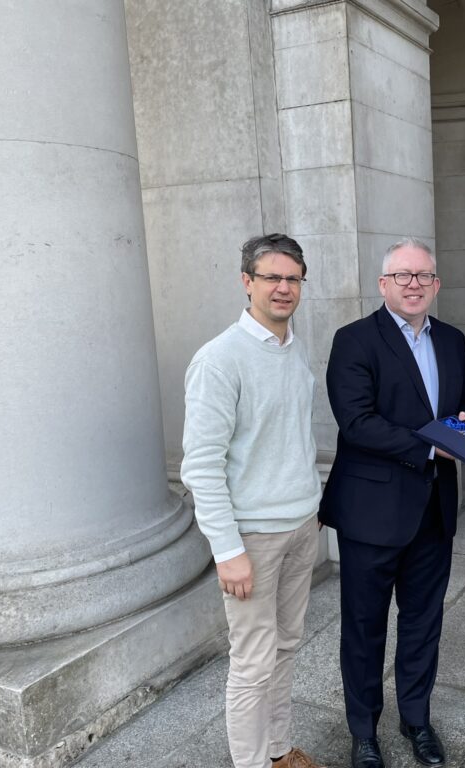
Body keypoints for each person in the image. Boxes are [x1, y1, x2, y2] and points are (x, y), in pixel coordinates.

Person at [319, 238, 465, 768]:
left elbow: (461, 408)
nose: (413, 284)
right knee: (363, 628)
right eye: (402, 275)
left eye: (423, 276)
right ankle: (363, 731)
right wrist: (433, 443)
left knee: (422, 623)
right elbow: (357, 421)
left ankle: (416, 720)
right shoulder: (354, 340)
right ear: (383, 284)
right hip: (371, 513)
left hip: (434, 510)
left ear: (436, 284)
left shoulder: (452, 341)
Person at [180, 233, 325, 768]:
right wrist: (227, 548)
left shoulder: (294, 348)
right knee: (252, 663)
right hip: (252, 540)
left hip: (300, 526)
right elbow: (200, 465)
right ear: (247, 283)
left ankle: (280, 750)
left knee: (287, 647)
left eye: (292, 279)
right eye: (272, 278)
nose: (283, 288)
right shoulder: (219, 360)